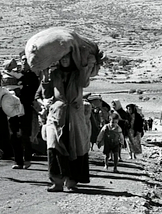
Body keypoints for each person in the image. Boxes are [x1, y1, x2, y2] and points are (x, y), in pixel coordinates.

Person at [43, 52, 91, 192]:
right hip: (57, 114)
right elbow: (47, 94)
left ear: (72, 59)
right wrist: (45, 78)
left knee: (74, 146)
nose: (64, 60)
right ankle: (57, 182)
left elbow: (85, 83)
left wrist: (84, 68)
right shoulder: (54, 73)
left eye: (67, 57)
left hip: (74, 114)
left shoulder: (78, 73)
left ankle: (71, 182)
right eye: (62, 57)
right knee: (54, 146)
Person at [9, 54, 39, 169]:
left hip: (26, 107)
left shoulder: (32, 76)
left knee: (25, 134)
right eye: (22, 60)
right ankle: (18, 161)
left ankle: (27, 159)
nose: (24, 62)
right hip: (13, 108)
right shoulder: (16, 75)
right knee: (13, 134)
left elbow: (33, 92)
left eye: (26, 60)